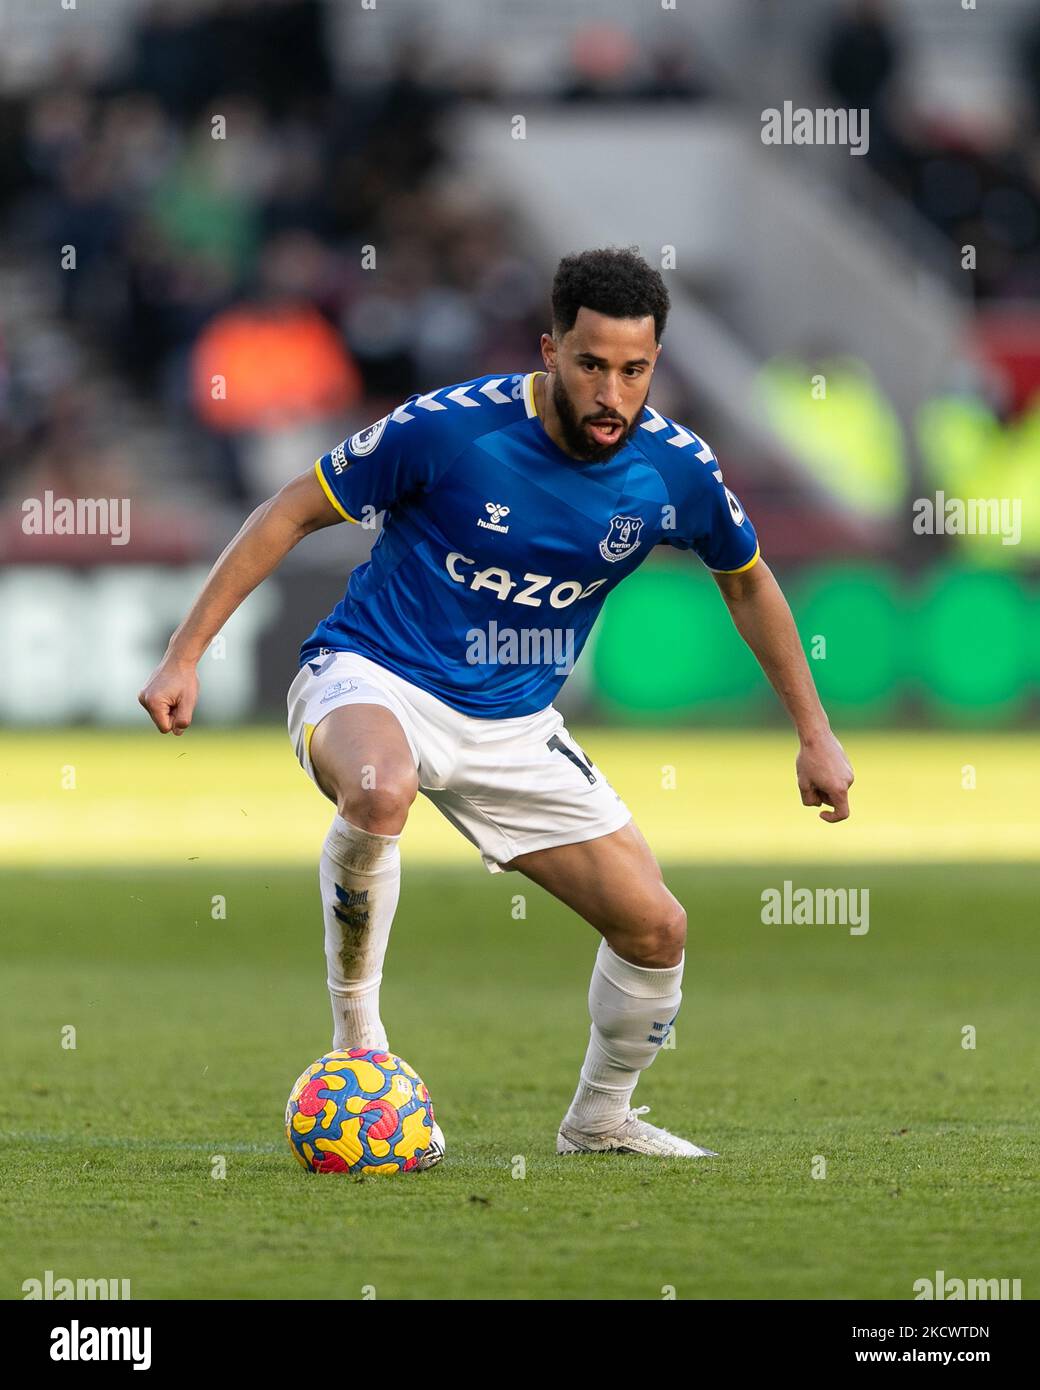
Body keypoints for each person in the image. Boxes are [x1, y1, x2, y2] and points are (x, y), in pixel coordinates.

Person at [139, 247, 854, 1162]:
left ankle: (600, 1120)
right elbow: (290, 510)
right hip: (373, 674)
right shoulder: (450, 431)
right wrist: (185, 655)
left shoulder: (674, 471)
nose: (611, 392)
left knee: (657, 928)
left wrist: (815, 734)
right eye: (591, 364)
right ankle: (360, 1047)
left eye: (634, 370)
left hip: (514, 727)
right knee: (378, 786)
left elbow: (748, 583)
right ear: (550, 350)